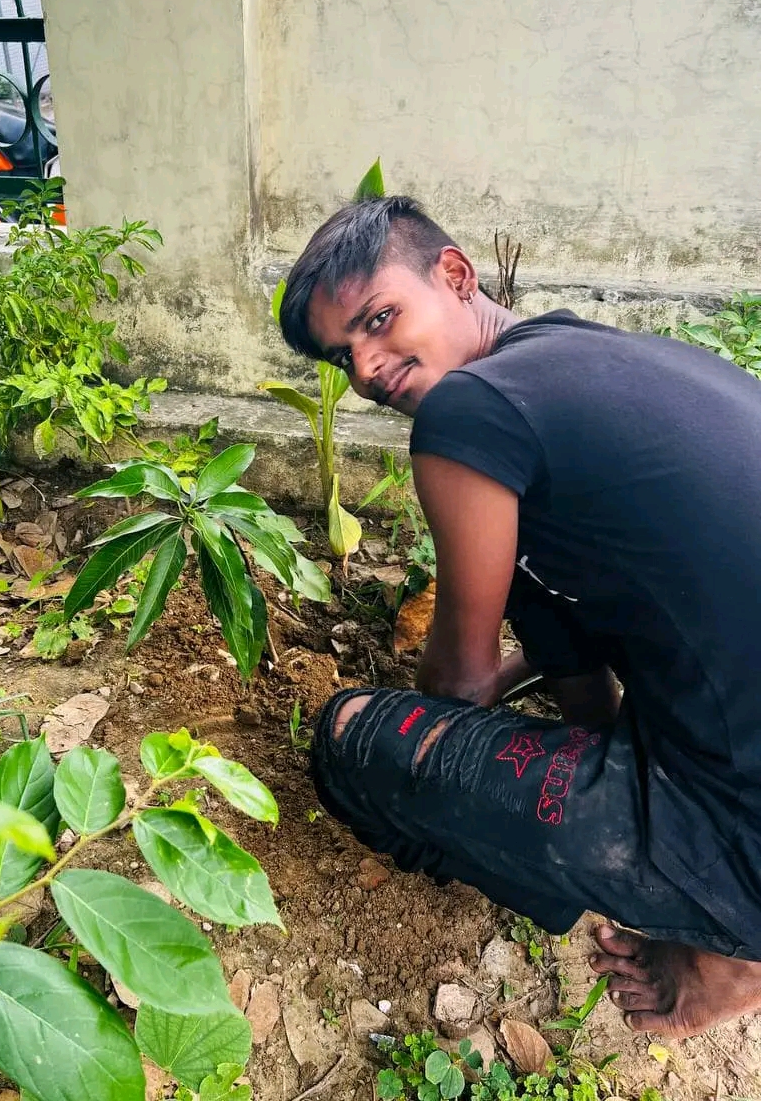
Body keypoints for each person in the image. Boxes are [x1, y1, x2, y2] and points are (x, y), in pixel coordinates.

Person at [277, 194, 761, 1039]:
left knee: (352, 736)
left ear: (456, 274)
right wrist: (589, 726)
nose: (364, 367)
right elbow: (561, 623)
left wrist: (434, 732)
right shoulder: (581, 359)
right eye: (341, 354)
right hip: (729, 729)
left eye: (380, 319)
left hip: (746, 833)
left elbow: (458, 681)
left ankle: (730, 941)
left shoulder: (470, 410)